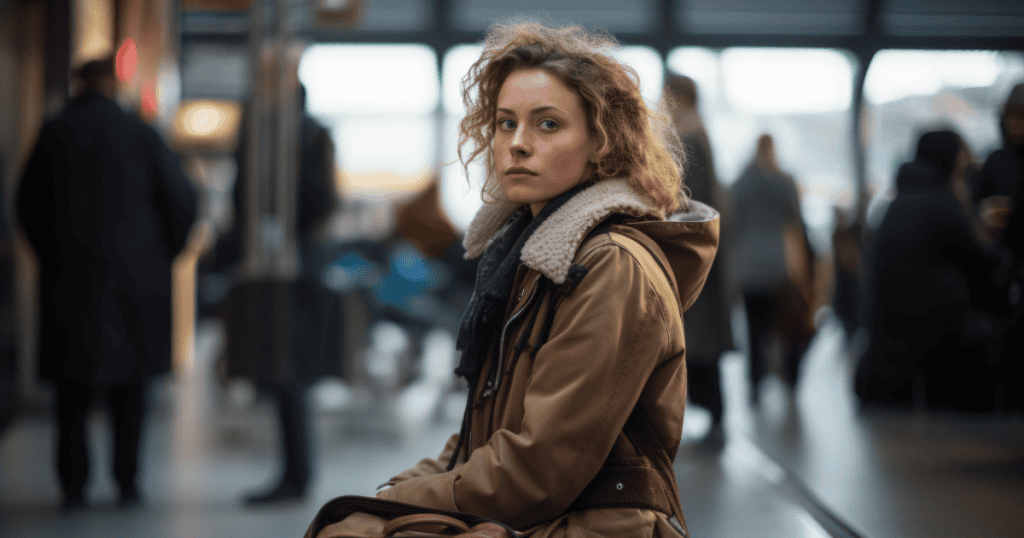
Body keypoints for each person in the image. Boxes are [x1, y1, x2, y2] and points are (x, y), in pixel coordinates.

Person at [317, 21, 720, 537]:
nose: (518, 144)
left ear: (601, 140)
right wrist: (388, 497)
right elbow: (476, 440)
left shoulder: (610, 266)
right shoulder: (531, 254)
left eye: (548, 125)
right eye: (506, 123)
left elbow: (539, 469)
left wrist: (386, 508)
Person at [16, 58, 197, 510]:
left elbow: (26, 206)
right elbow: (182, 201)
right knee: (132, 391)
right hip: (137, 285)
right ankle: (127, 482)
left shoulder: (54, 133)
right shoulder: (141, 133)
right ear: (117, 84)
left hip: (69, 283)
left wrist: (52, 258)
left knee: (71, 393)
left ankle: (73, 485)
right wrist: (161, 259)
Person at [222, 83, 340, 506]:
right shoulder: (291, 137)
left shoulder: (296, 138)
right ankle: (293, 472)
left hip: (290, 267)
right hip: (283, 265)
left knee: (288, 373)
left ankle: (295, 474)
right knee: (281, 371)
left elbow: (318, 200)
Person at [855, 130, 1005, 411]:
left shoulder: (896, 204)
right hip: (932, 352)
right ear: (950, 161)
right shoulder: (942, 204)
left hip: (888, 354)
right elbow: (987, 267)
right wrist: (986, 226)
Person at [663, 73, 732, 446]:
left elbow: (689, 199)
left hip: (690, 255)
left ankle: (716, 417)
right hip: (698, 254)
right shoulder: (695, 132)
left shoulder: (689, 137)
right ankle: (713, 416)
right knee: (699, 341)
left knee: (697, 340)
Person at [728, 134, 816, 403]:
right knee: (786, 323)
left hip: (748, 267)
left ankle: (755, 381)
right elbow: (797, 223)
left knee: (755, 329)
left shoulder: (740, 184)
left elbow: (731, 225)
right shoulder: (784, 181)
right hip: (779, 265)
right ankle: (790, 378)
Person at [974, 83, 1024, 243]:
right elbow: (976, 204)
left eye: (1022, 116)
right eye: (1011, 115)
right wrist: (985, 213)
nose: (1015, 123)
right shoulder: (996, 160)